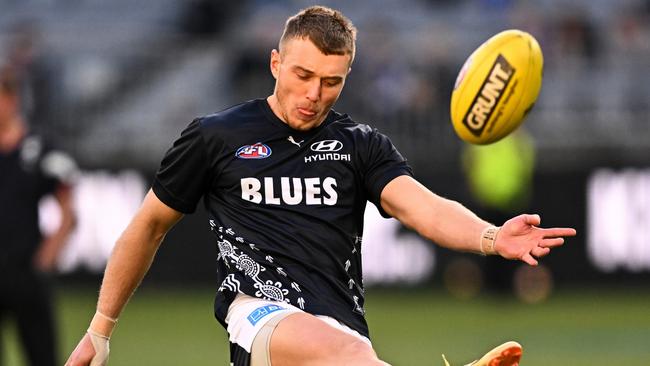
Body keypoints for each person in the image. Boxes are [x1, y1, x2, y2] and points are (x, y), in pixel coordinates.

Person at [65, 6, 576, 366]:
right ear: (275, 64)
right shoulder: (215, 136)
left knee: (351, 352)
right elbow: (148, 225)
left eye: (331, 81)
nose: (313, 94)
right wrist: (100, 332)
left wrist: (491, 237)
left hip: (342, 334)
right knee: (351, 356)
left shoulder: (359, 144)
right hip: (259, 316)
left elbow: (423, 207)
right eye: (302, 75)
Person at [0, 65, 77, 366]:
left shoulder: (40, 147)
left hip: (25, 271)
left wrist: (47, 257)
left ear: (12, 100)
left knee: (42, 355)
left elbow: (68, 208)